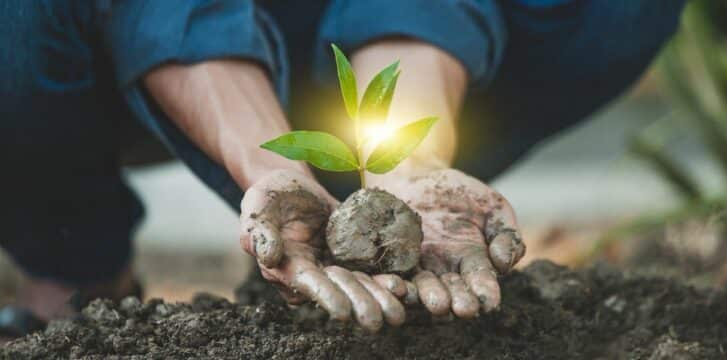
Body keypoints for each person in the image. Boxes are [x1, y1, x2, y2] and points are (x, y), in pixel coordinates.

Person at [0, 0, 687, 336]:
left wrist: (413, 157)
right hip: (130, 37)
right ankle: (76, 268)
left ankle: (382, 225)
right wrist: (273, 161)